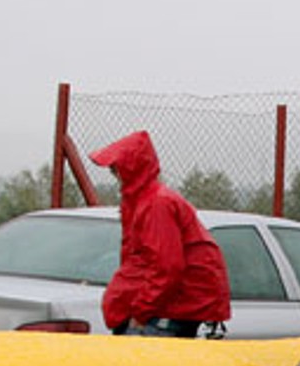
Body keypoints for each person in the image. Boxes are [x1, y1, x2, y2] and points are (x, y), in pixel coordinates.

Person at [88, 131, 231, 339]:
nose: (114, 175)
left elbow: (167, 266)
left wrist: (141, 312)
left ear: (131, 167)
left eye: (116, 169)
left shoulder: (156, 204)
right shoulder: (144, 201)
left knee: (138, 358)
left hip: (166, 312)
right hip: (164, 309)